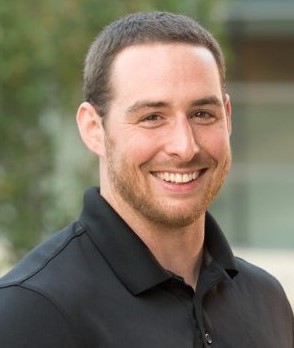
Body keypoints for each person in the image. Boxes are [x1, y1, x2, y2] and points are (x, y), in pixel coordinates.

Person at [0, 11, 293, 348]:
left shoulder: (266, 298)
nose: (184, 147)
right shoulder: (29, 312)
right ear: (94, 129)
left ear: (226, 118)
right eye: (152, 117)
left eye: (202, 114)